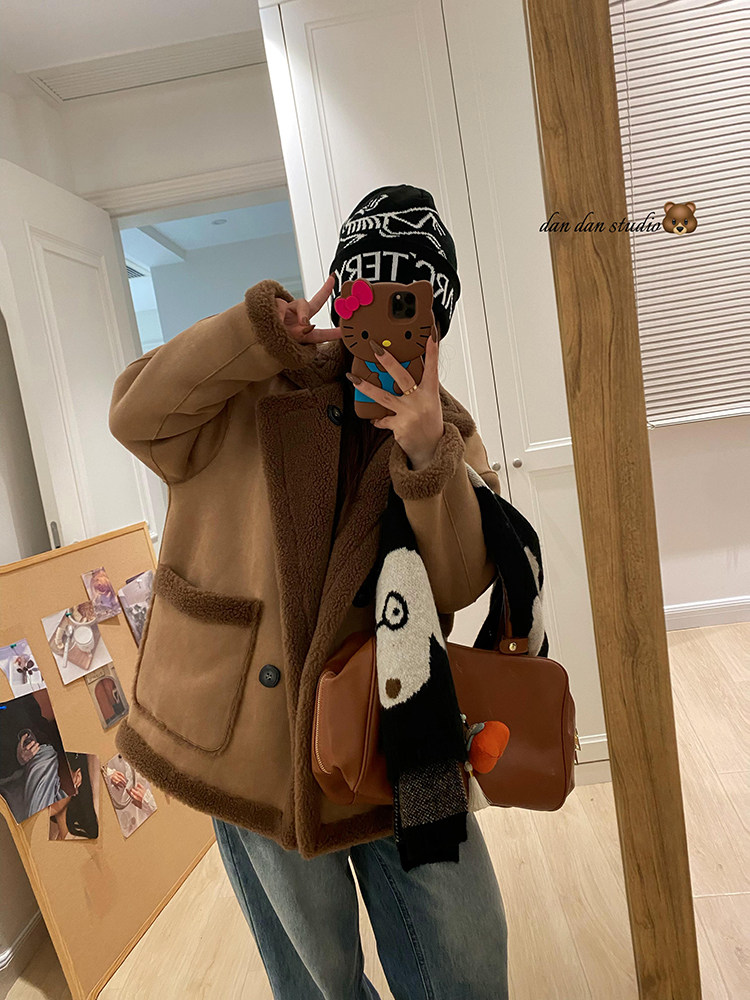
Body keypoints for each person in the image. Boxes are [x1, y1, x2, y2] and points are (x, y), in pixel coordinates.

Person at [109, 185, 509, 999]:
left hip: (406, 742)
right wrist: (253, 333)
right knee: (318, 979)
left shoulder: (448, 433)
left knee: (467, 961)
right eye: (363, 290)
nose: (382, 321)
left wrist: (426, 453)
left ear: (436, 323)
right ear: (340, 292)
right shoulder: (251, 388)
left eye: (408, 304)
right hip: (251, 741)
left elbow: (463, 581)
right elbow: (135, 416)